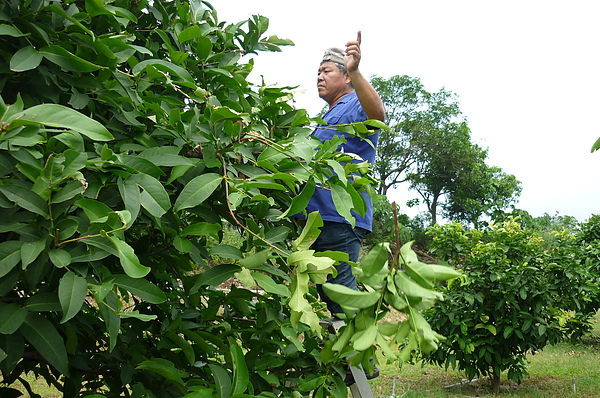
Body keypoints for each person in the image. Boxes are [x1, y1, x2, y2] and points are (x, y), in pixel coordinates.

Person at [307, 31, 385, 316]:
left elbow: (377, 116)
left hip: (339, 216)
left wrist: (356, 69)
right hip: (319, 218)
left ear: (346, 77)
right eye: (317, 72)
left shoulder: (354, 104)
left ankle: (362, 358)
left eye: (326, 70)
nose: (319, 76)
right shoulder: (326, 117)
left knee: (340, 291)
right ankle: (343, 357)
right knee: (329, 292)